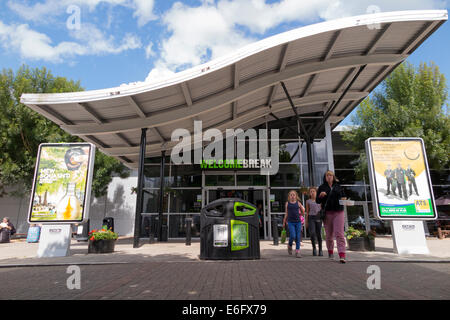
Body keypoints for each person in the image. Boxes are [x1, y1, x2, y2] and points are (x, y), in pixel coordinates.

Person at [316, 171, 347, 263]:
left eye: (330, 175)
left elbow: (344, 197)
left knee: (339, 234)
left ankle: (342, 255)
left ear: (333, 177)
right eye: (327, 175)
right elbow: (317, 201)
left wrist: (344, 199)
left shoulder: (338, 186)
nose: (329, 177)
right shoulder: (322, 187)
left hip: (339, 212)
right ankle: (330, 252)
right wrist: (321, 196)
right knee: (329, 235)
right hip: (327, 213)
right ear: (325, 177)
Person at [282, 190, 305, 258]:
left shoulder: (298, 203)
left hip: (298, 222)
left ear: (296, 196)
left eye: (294, 195)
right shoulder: (287, 203)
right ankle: (289, 245)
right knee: (292, 235)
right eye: (291, 195)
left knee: (298, 237)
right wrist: (284, 222)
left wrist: (302, 213)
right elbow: (286, 213)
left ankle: (297, 251)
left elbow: (303, 210)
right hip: (290, 222)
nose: (292, 196)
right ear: (289, 196)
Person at [306, 187, 323, 256]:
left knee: (318, 234)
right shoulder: (308, 201)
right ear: (309, 193)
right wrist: (306, 221)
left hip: (318, 217)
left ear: (316, 192)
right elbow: (307, 212)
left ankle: (320, 250)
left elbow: (322, 210)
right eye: (311, 191)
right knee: (312, 233)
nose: (312, 193)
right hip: (311, 217)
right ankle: (314, 248)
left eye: (313, 191)